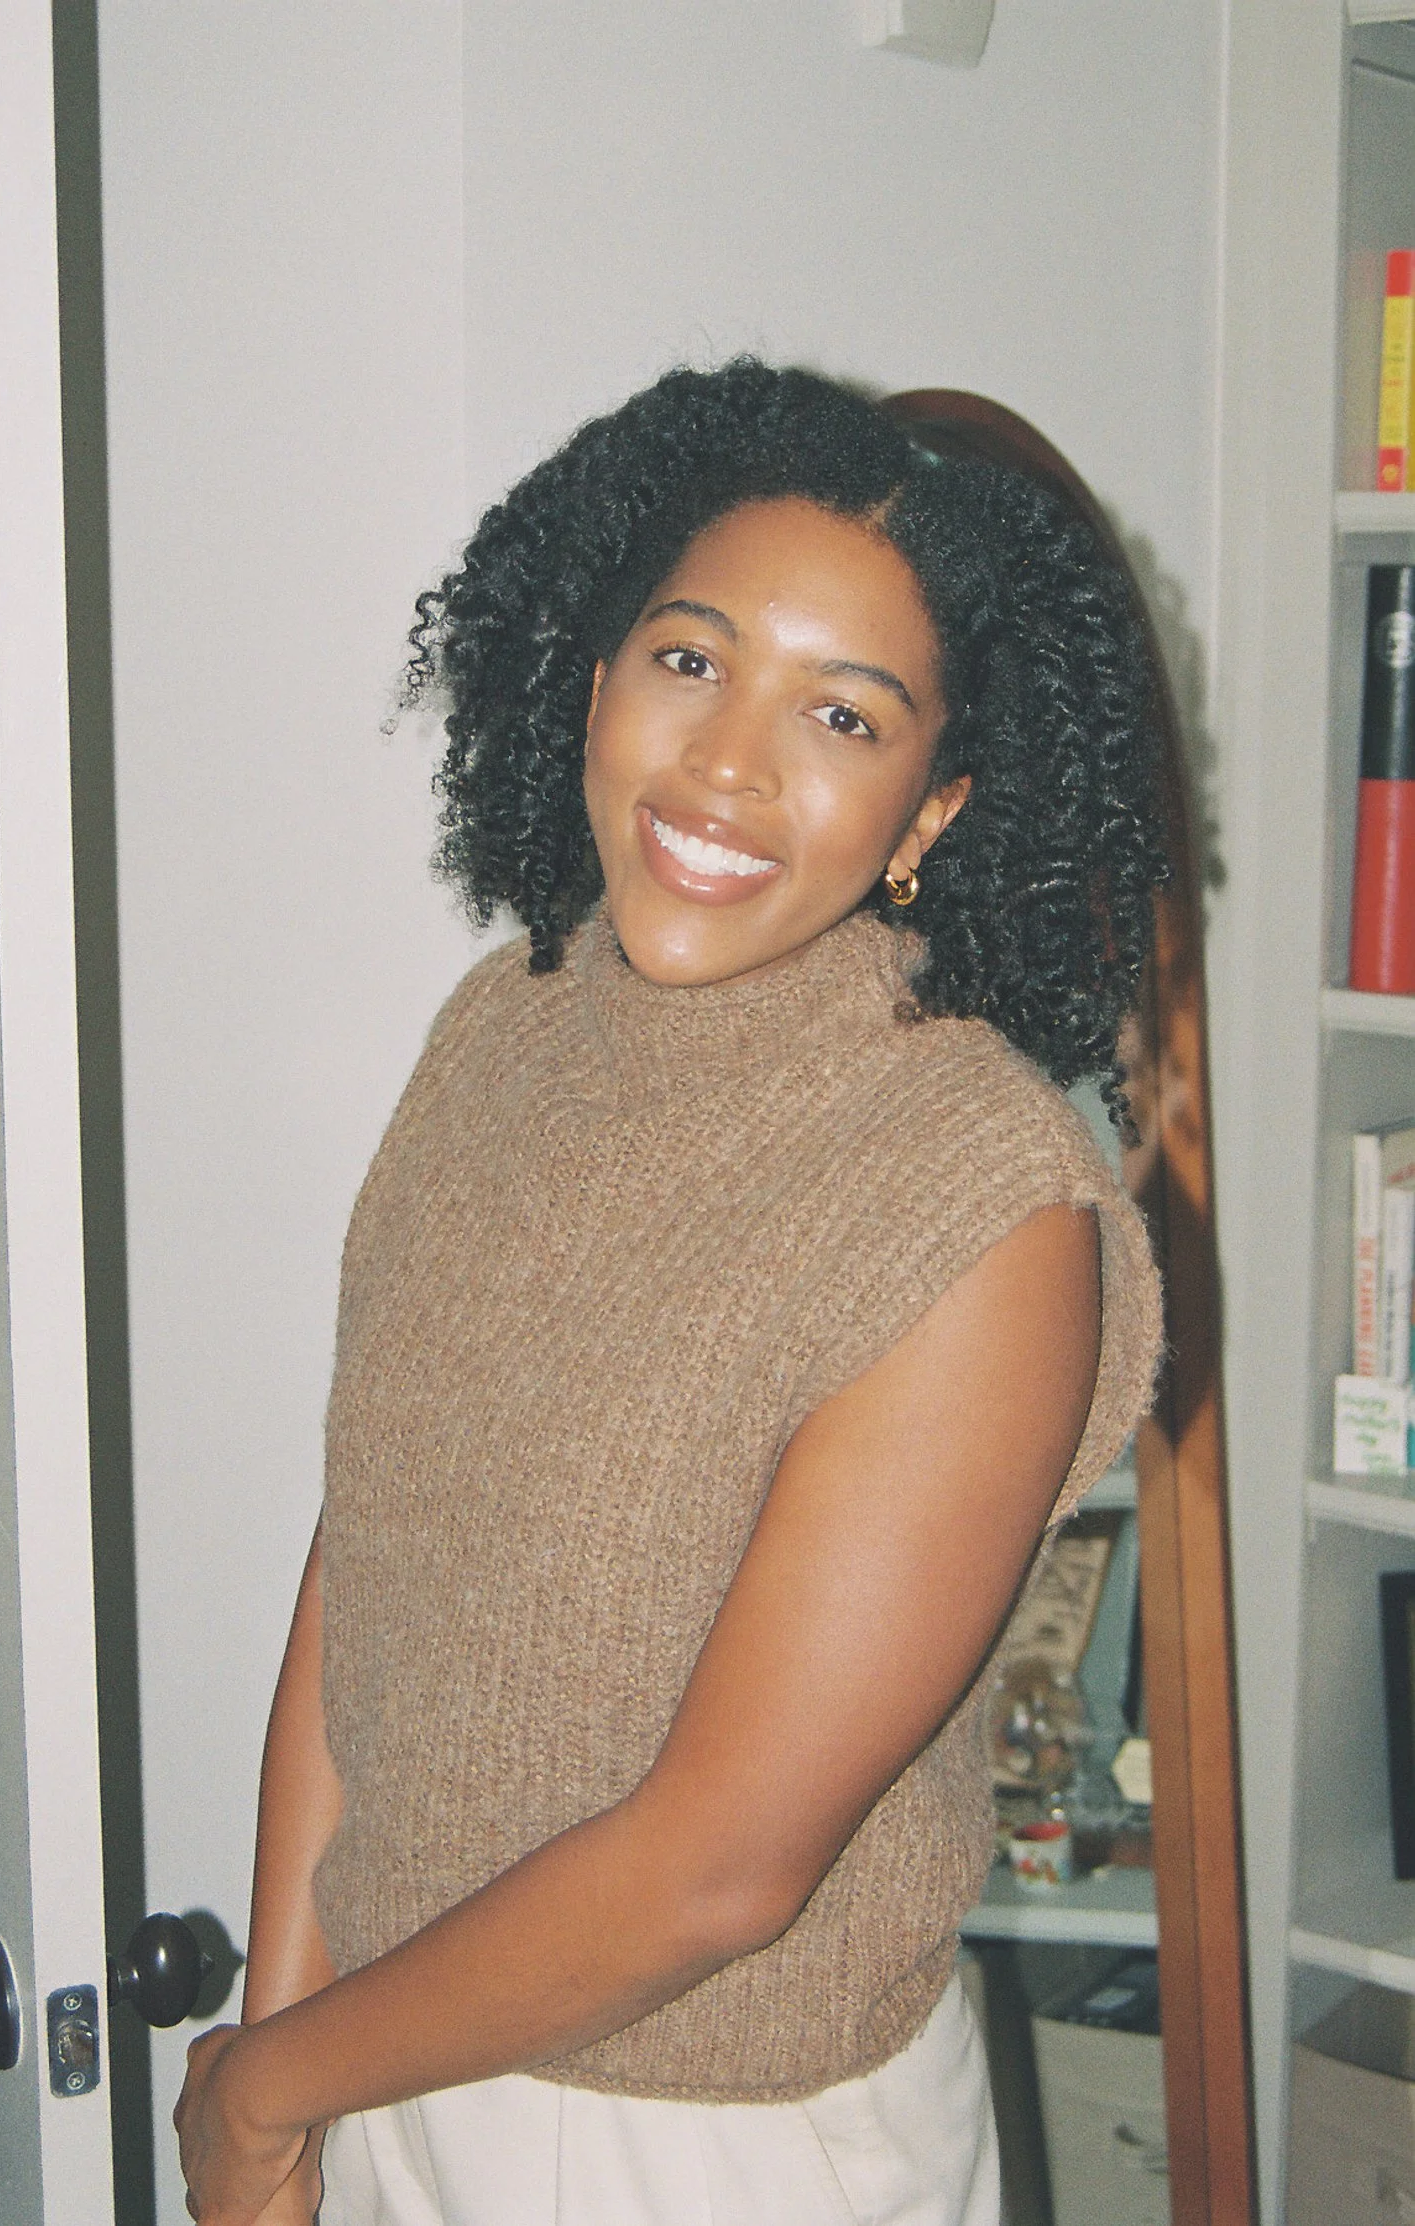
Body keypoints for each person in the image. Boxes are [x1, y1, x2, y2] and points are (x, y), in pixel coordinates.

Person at [174, 360, 1165, 2226]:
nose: (726, 765)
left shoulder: (980, 1197)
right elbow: (369, 1549)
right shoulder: (507, 1025)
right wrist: (282, 2052)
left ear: (935, 810)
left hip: (712, 2145)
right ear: (597, 666)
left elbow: (724, 1867)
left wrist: (259, 2091)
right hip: (382, 2061)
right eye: (690, 661)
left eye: (843, 716)